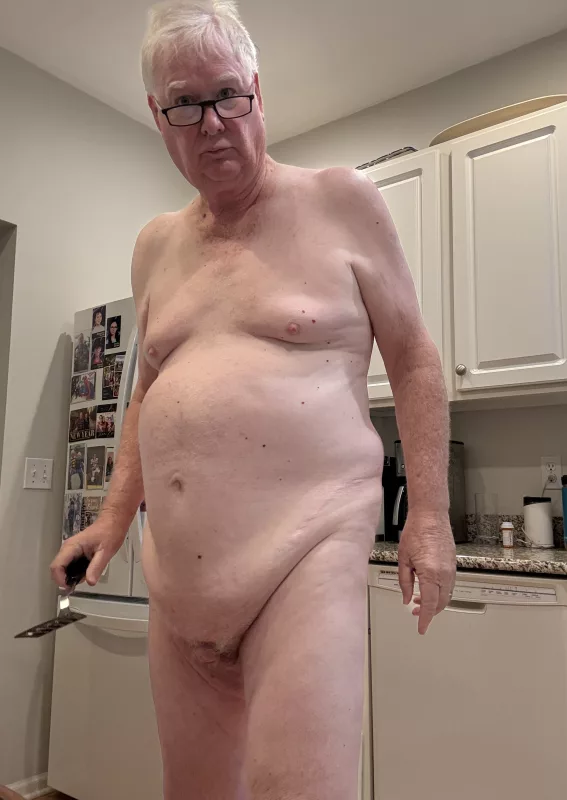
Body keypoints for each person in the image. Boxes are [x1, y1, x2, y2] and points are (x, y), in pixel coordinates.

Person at [51, 1, 456, 797]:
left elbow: (413, 359)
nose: (212, 123)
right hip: (176, 581)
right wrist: (110, 516)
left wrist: (431, 517)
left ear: (258, 92)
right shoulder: (154, 247)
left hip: (305, 553)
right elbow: (147, 395)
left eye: (228, 95)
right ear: (157, 116)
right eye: (186, 104)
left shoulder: (342, 202)